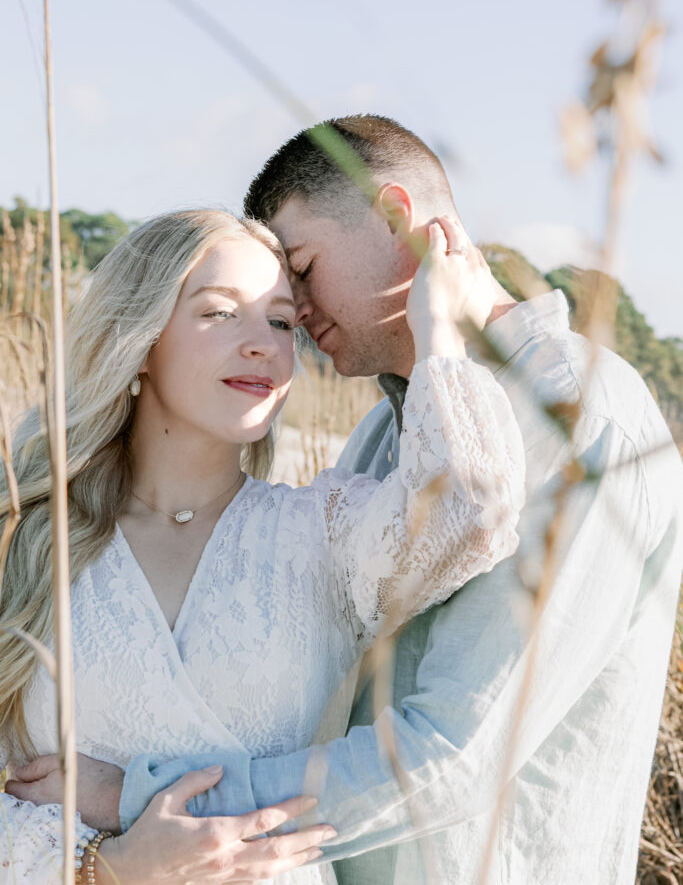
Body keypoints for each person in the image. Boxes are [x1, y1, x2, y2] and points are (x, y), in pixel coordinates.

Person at [38, 115, 682, 884]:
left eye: (301, 271)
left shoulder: (570, 415)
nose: (295, 317)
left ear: (398, 222)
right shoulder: (384, 432)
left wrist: (132, 796)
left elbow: (454, 755)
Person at [0, 206, 527, 883]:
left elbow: (471, 510)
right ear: (140, 337)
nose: (264, 345)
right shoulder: (27, 531)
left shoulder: (321, 532)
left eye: (282, 322)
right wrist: (106, 868)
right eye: (221, 313)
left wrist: (436, 333)